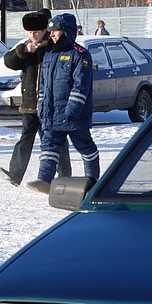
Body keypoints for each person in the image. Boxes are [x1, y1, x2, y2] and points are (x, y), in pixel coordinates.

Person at [26, 13, 100, 193]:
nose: (51, 34)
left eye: (55, 31)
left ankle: (93, 181)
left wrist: (72, 110)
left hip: (74, 115)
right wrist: (42, 107)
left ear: (66, 31)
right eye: (50, 31)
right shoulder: (50, 55)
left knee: (85, 146)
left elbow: (81, 85)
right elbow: (43, 85)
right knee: (49, 146)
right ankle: (44, 180)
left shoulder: (80, 54)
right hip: (52, 113)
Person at [0, 8, 71, 186]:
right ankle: (16, 173)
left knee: (56, 141)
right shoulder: (26, 47)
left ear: (44, 30)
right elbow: (9, 62)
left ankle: (64, 176)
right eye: (30, 32)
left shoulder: (54, 46)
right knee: (25, 139)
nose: (33, 35)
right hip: (30, 104)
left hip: (50, 104)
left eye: (36, 32)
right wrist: (23, 50)